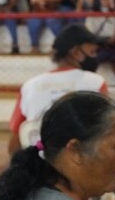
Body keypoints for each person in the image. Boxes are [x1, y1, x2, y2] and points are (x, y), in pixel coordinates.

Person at [7, 23, 108, 151]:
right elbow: (108, 132)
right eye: (92, 52)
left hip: (38, 166)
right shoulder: (96, 83)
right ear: (76, 52)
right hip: (82, 165)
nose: (95, 57)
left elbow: (15, 141)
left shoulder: (29, 86)